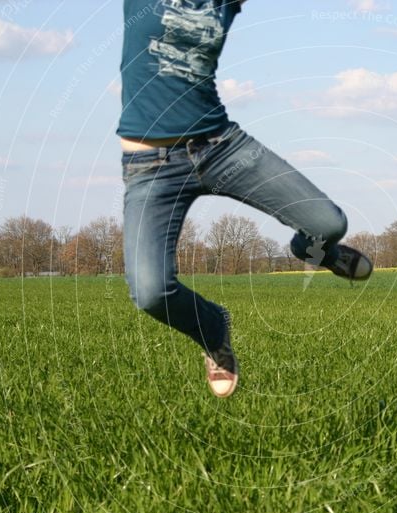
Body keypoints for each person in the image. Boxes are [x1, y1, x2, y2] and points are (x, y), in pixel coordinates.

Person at [117, 0, 373, 398]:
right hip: (150, 166)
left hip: (221, 147)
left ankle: (315, 250)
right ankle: (213, 328)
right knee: (150, 293)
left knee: (328, 225)